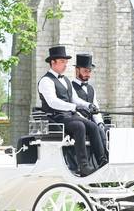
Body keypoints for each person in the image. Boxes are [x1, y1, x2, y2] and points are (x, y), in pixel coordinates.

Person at [37, 45, 107, 177]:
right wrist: (74, 107)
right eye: (62, 62)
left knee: (92, 126)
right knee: (79, 126)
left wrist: (88, 105)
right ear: (53, 62)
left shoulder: (66, 80)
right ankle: (83, 166)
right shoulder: (46, 81)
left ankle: (102, 161)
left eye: (66, 62)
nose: (65, 65)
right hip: (55, 117)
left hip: (69, 116)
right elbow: (53, 102)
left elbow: (74, 99)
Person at [71, 53, 106, 130]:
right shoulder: (70, 86)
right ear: (77, 70)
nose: (88, 74)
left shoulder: (91, 89)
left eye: (89, 71)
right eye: (85, 71)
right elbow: (75, 101)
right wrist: (89, 105)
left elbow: (96, 108)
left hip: (91, 125)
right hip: (78, 125)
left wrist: (100, 122)